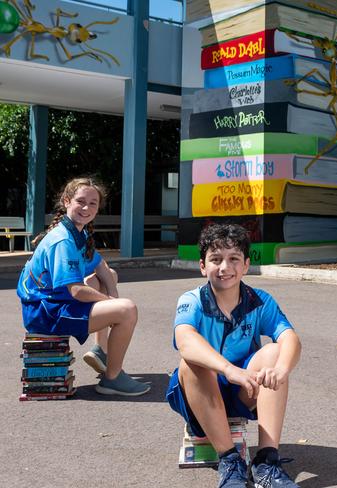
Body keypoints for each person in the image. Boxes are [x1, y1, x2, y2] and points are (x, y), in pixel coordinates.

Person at [166, 224, 302, 488]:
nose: (224, 267)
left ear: (246, 265)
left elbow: (290, 338)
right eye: (215, 259)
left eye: (233, 259)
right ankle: (230, 460)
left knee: (275, 352)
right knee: (192, 363)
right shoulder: (191, 299)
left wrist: (283, 369)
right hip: (200, 395)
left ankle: (266, 461)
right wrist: (228, 369)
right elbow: (185, 340)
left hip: (243, 391)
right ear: (203, 266)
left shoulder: (260, 300)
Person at [17, 177, 150, 396]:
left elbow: (100, 265)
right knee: (126, 310)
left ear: (98, 208)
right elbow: (76, 290)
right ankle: (112, 379)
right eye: (80, 201)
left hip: (53, 304)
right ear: (66, 201)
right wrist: (113, 303)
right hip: (46, 313)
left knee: (108, 278)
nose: (86, 207)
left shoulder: (78, 232)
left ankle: (101, 350)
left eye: (93, 203)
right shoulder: (63, 241)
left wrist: (112, 288)